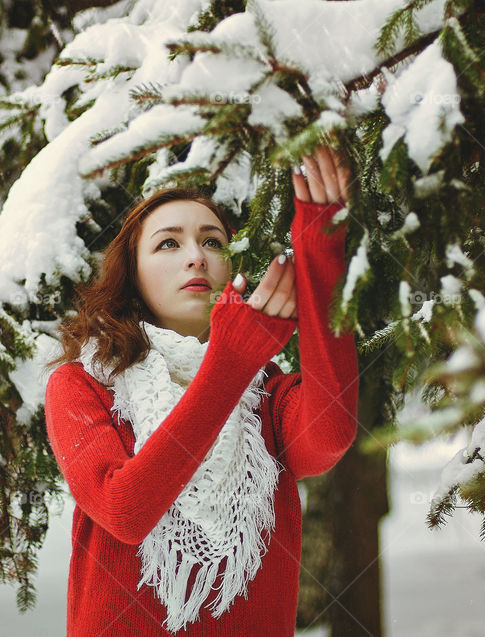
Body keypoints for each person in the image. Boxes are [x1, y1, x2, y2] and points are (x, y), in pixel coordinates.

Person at [44, 146, 360, 636]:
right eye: (168, 244)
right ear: (134, 276)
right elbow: (125, 510)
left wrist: (320, 250)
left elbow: (332, 432)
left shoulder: (267, 394)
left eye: (212, 241)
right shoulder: (83, 385)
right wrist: (228, 364)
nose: (196, 257)